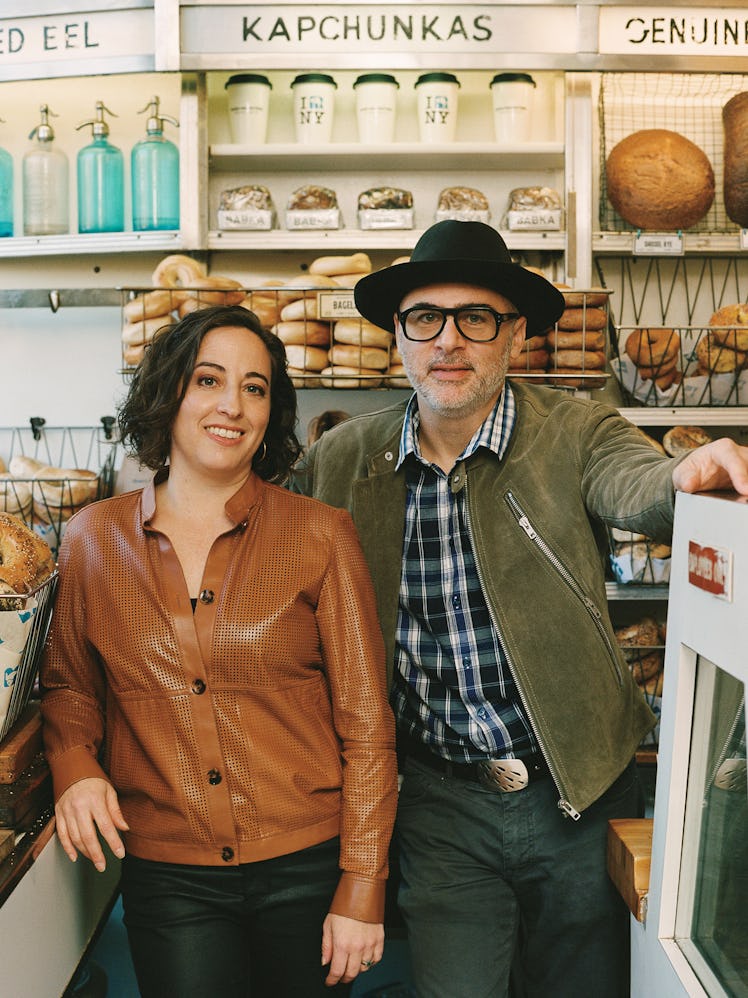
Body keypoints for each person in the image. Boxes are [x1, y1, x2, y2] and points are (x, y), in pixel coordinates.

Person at [292, 219, 748, 998]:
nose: (448, 341)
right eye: (425, 318)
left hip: (579, 788)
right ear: (399, 336)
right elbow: (267, 556)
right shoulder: (342, 461)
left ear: (512, 335)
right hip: (440, 806)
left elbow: (632, 481)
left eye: (477, 318)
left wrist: (685, 474)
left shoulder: (576, 430)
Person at [40, 305, 398, 998]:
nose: (232, 404)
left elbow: (366, 723)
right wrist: (75, 765)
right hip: (170, 878)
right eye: (209, 380)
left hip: (308, 867)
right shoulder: (92, 538)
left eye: (255, 387)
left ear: (271, 412)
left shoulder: (321, 534)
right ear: (169, 392)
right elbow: (69, 684)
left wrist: (363, 882)